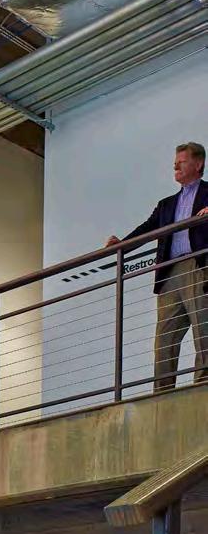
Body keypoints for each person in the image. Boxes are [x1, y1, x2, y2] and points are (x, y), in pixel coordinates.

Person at [107, 141, 208, 392]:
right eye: (175, 163)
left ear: (198, 164)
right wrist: (122, 245)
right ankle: (161, 393)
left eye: (181, 162)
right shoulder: (166, 204)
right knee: (164, 338)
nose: (175, 166)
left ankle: (203, 387)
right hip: (169, 272)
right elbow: (148, 228)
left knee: (204, 330)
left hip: (199, 265)